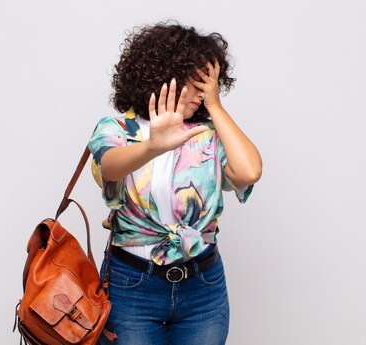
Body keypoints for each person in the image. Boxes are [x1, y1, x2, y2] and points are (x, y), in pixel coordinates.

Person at [87, 22, 262, 345]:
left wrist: (216, 107)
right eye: (197, 84)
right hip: (133, 285)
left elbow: (249, 172)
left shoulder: (208, 134)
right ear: (164, 75)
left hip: (202, 287)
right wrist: (153, 147)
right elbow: (109, 167)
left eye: (210, 86)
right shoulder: (117, 128)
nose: (203, 93)